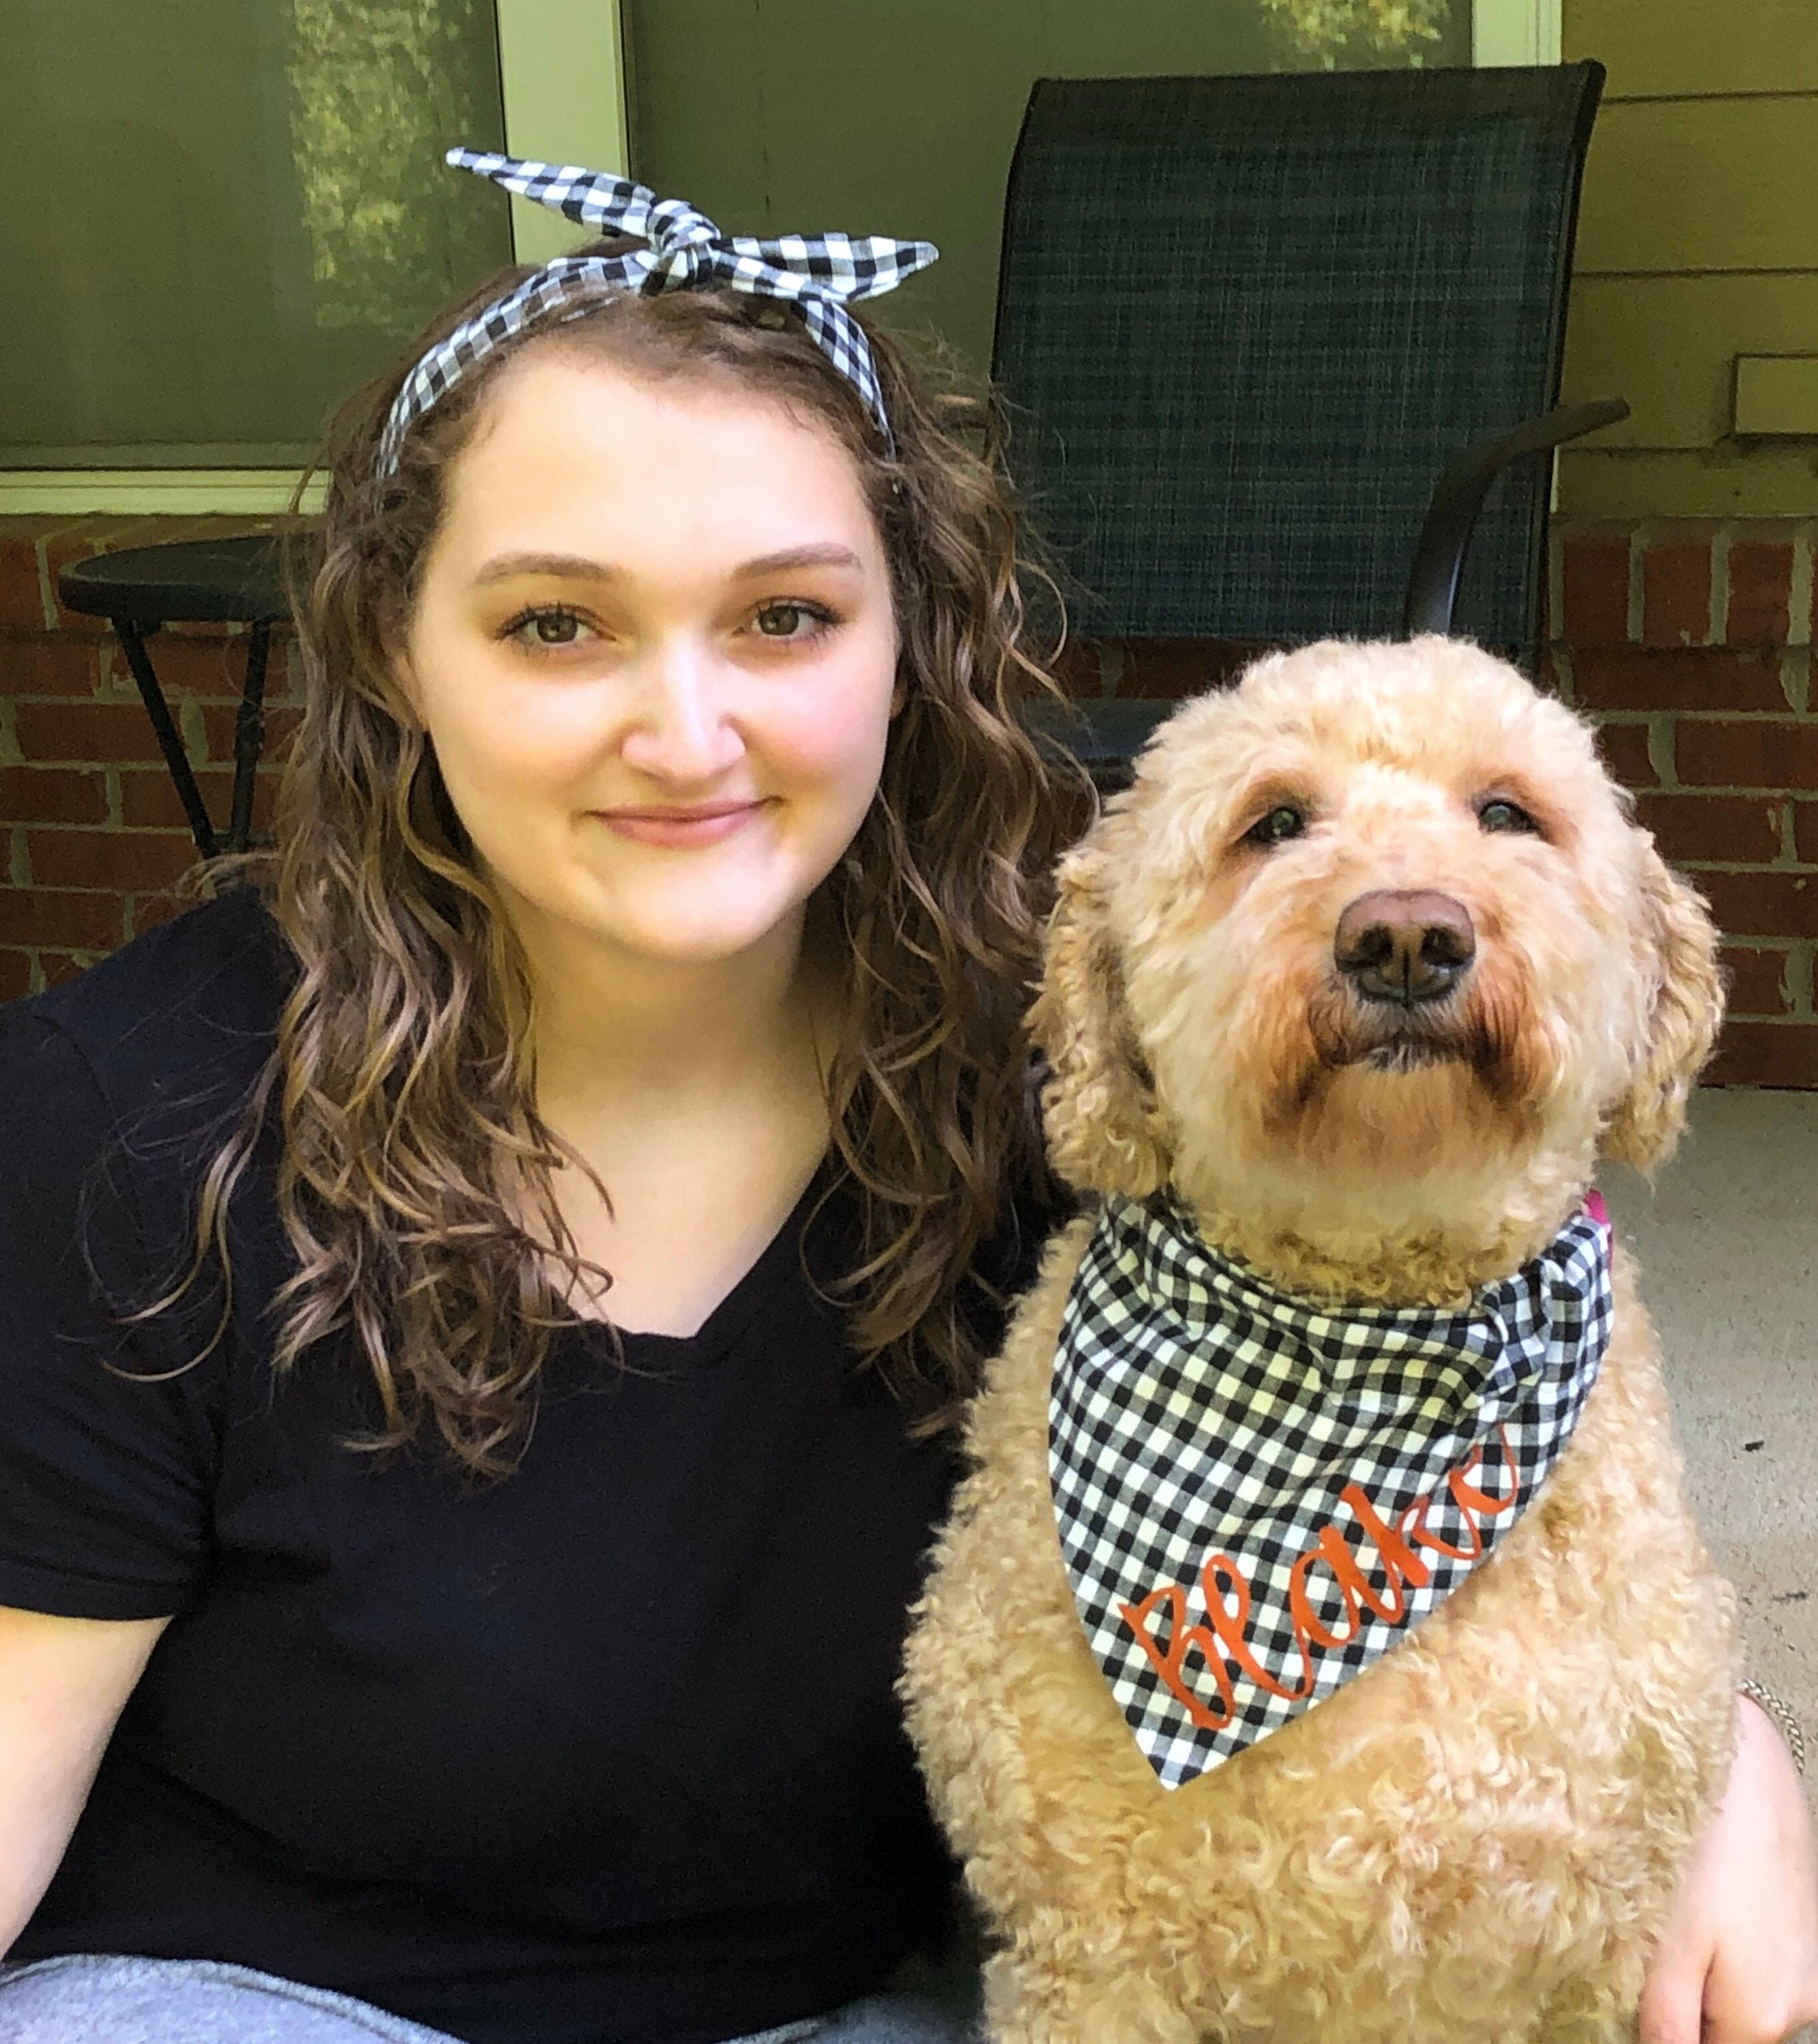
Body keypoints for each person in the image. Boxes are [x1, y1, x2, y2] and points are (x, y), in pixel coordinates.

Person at [0, 154, 1811, 2044]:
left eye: (784, 619)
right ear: (393, 647)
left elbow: (1453, 1366)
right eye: (556, 624)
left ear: (907, 641)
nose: (685, 732)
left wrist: (1723, 1758)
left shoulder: (1077, 1060)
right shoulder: (132, 1128)